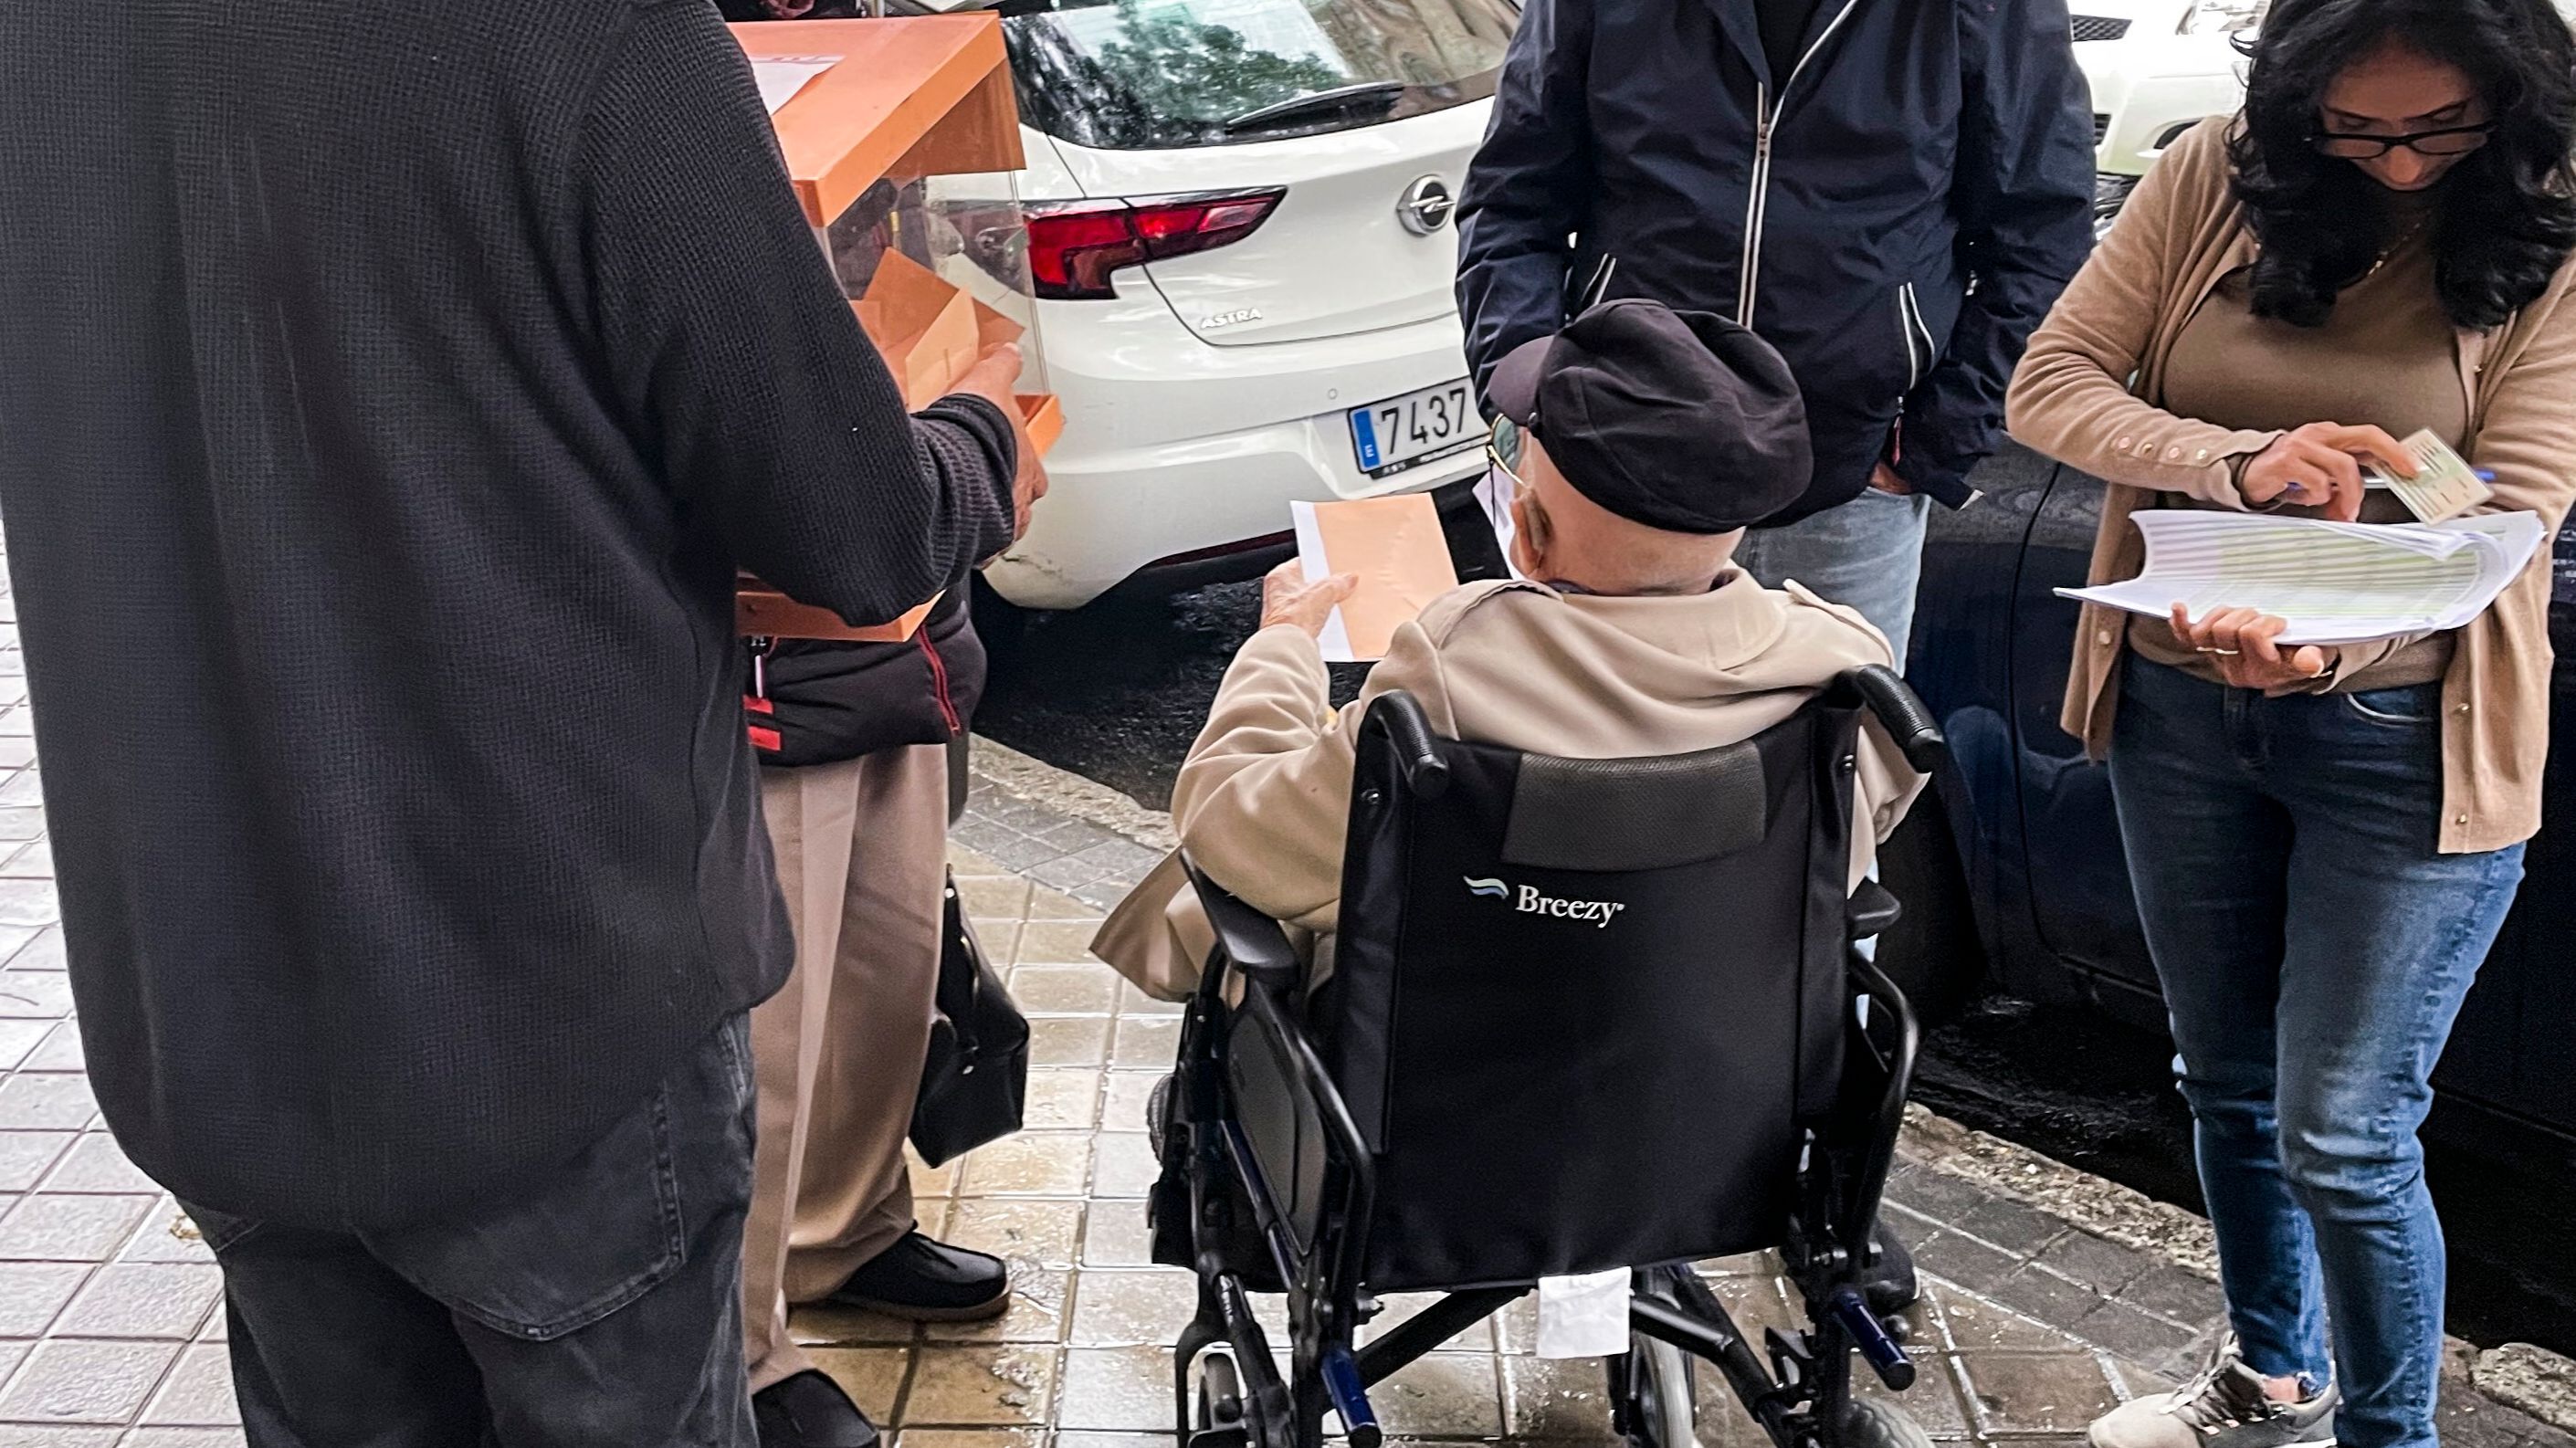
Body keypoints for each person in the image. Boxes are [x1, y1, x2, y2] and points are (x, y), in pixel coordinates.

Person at [0, 2, 1040, 1443]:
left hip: (204, 1005)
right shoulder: (590, 34)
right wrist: (986, 437)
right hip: (550, 1023)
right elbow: (858, 532)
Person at [2004, 2, 2576, 1444]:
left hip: (2407, 732)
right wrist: (2239, 460)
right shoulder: (2214, 173)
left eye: (2440, 128)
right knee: (2225, 1083)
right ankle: (2271, 1381)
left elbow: (2509, 512)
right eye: (2357, 129)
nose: (2401, 163)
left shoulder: (2556, 228)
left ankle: (2392, 1435)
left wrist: (2336, 635)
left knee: (2347, 1133)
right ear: (2295, 97)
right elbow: (2051, 386)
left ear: (2511, 98)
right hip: (2176, 700)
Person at [1093, 299, 1924, 1005]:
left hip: (1442, 1093)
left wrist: (1281, 645)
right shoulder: (1845, 667)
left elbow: (1231, 834)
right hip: (1722, 1091)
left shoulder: (1457, 669)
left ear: (1526, 532)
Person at [1452, 0, 2097, 664]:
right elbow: (1511, 205)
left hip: (1849, 488)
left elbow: (2044, 235)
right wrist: (1528, 396)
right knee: (1593, 725)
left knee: (1840, 728)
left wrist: (1935, 441)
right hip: (1611, 471)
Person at [739, 582, 1027, 1448]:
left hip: (900, 656)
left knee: (884, 986)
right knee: (762, 1051)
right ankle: (733, 1354)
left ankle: (841, 1232)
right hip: (757, 680)